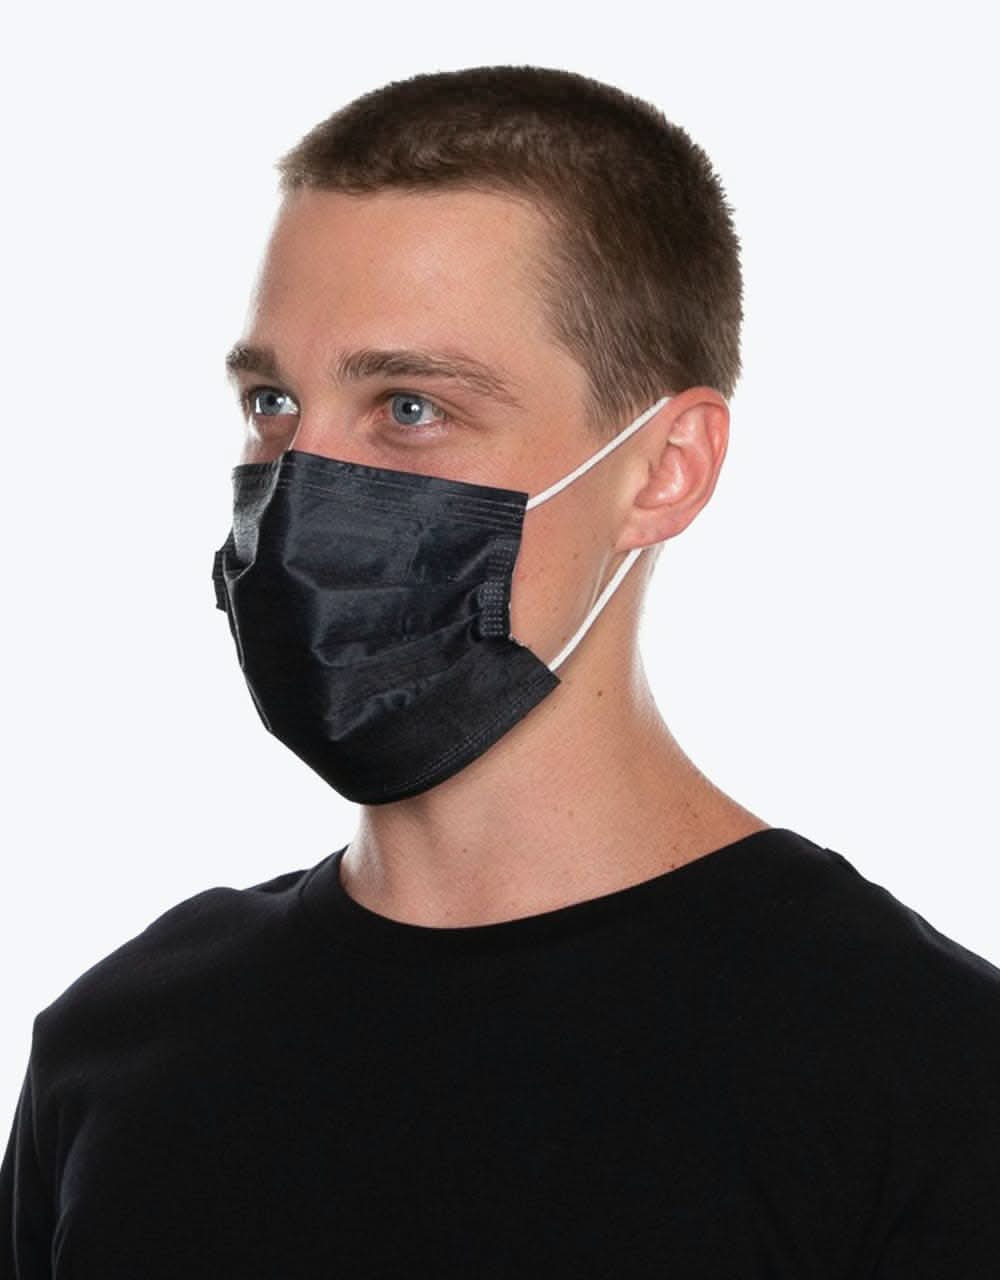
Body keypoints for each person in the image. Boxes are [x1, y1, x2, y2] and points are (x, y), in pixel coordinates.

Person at [3, 64, 998, 1279]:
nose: (299, 492)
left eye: (409, 407)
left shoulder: (925, 1077)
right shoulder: (116, 1044)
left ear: (665, 467)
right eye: (272, 401)